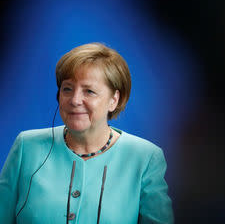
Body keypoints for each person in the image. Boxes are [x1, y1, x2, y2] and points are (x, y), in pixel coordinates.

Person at [0, 43, 174, 223]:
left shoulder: (145, 158)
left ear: (114, 100)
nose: (75, 100)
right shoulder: (26, 147)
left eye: (89, 91)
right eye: (67, 88)